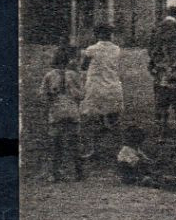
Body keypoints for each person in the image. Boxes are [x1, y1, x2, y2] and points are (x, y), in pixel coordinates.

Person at [146, 6, 176, 142]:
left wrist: (155, 62)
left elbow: (150, 49)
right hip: (174, 69)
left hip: (160, 70)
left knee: (160, 101)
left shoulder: (156, 28)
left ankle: (161, 133)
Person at [79, 24, 123, 160]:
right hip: (113, 88)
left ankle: (95, 150)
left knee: (95, 122)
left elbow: (83, 66)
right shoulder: (117, 49)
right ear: (110, 35)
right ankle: (119, 151)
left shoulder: (91, 49)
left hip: (96, 89)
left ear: (96, 34)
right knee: (114, 122)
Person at [42, 45, 84, 182]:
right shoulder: (73, 75)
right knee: (75, 142)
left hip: (56, 112)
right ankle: (79, 173)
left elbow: (43, 95)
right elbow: (82, 95)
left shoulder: (49, 76)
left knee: (56, 143)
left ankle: (55, 173)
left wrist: (51, 98)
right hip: (72, 112)